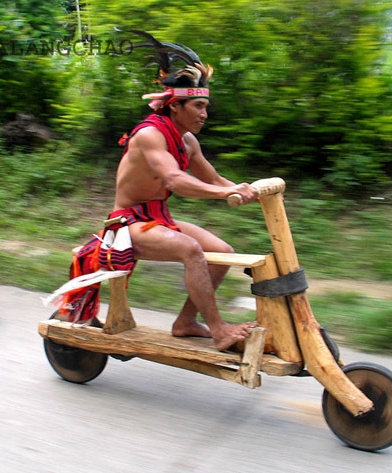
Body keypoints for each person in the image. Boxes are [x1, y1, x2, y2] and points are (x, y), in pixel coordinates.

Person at [57, 32, 258, 351]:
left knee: (223, 252)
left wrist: (249, 191)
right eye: (198, 106)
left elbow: (215, 178)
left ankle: (186, 323)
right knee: (191, 249)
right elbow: (176, 181)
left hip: (159, 219)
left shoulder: (188, 140)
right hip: (127, 225)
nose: (204, 114)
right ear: (175, 106)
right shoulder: (150, 134)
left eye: (206, 106)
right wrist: (224, 195)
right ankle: (219, 330)